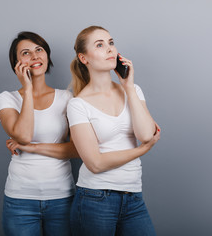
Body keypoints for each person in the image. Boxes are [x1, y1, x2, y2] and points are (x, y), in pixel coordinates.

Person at [67, 26, 161, 236]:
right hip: (95, 199)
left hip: (134, 196)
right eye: (99, 45)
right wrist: (142, 150)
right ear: (84, 58)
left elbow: (146, 135)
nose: (109, 49)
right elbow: (95, 163)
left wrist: (128, 86)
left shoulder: (133, 90)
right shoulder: (78, 105)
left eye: (110, 43)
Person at [0, 31, 78, 236]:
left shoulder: (67, 98)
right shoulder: (7, 99)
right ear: (16, 63)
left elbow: (76, 149)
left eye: (39, 49)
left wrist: (31, 148)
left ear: (47, 55)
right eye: (26, 52)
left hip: (62, 198)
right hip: (20, 201)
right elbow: (22, 135)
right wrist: (28, 89)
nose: (34, 56)